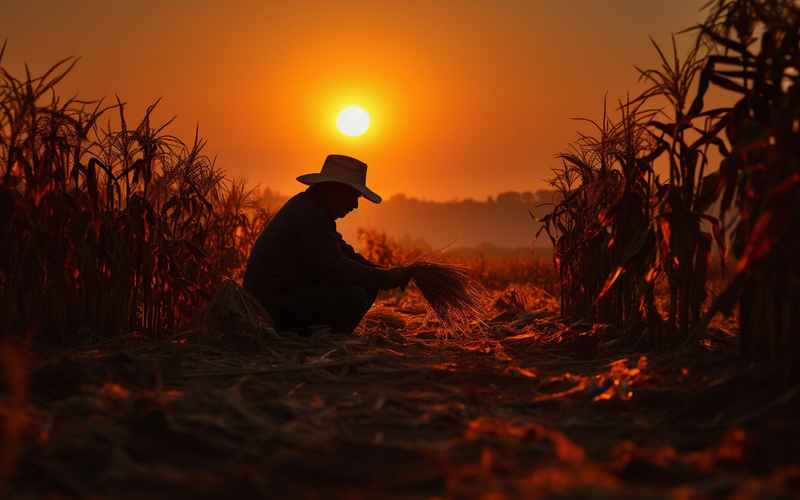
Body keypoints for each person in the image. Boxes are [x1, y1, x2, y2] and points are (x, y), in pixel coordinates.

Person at [243, 154, 411, 334]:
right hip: (268, 307)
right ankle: (311, 335)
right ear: (335, 190)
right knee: (356, 296)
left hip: (280, 297)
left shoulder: (314, 209)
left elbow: (343, 252)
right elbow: (336, 266)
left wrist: (384, 272)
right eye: (353, 196)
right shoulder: (308, 215)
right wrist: (384, 278)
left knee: (365, 285)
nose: (355, 205)